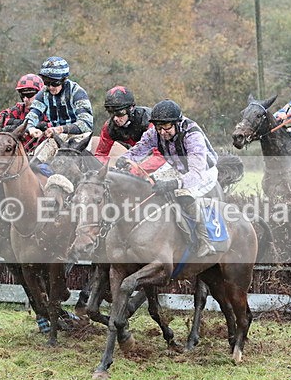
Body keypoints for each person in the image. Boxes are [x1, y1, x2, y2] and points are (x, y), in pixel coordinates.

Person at [116, 99, 219, 257]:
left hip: (204, 172)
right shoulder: (154, 132)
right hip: (177, 167)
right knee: (150, 183)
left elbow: (196, 174)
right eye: (159, 128)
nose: (163, 133)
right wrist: (126, 157)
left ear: (177, 124)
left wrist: (174, 184)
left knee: (183, 193)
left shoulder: (192, 135)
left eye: (167, 128)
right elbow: (140, 149)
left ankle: (204, 240)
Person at [23, 56, 93, 163]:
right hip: (57, 136)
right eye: (46, 82)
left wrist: (60, 129)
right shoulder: (43, 94)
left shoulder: (77, 93)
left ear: (64, 80)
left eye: (55, 83)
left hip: (79, 136)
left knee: (67, 162)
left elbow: (86, 124)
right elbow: (32, 116)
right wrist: (31, 129)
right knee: (35, 160)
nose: (50, 87)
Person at [94, 85, 165, 173]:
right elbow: (101, 155)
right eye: (111, 113)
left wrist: (135, 171)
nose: (115, 118)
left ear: (131, 108)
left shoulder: (149, 121)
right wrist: (108, 170)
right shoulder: (109, 127)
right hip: (137, 154)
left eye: (120, 112)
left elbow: (161, 156)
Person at [0, 73, 47, 153]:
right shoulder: (18, 109)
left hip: (44, 156)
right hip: (19, 156)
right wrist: (19, 124)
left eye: (29, 95)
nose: (25, 99)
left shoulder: (50, 110)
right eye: (22, 95)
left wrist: (38, 126)